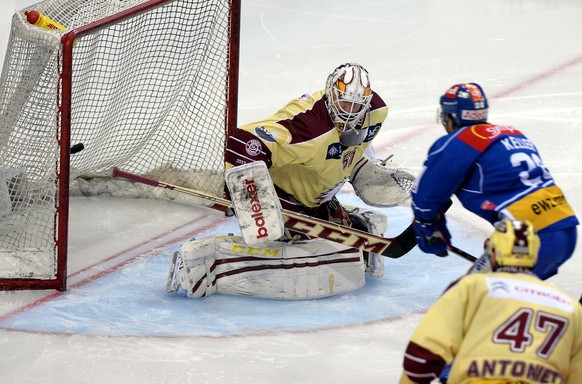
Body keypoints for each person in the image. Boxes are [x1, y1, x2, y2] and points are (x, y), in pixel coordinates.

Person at [166, 63, 415, 300]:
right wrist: (253, 200)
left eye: (355, 105)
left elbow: (350, 147)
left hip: (318, 197)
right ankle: (203, 262)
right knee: (308, 260)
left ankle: (323, 216)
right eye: (344, 102)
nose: (349, 112)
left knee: (355, 245)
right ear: (330, 93)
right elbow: (243, 142)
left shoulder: (376, 111)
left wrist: (361, 166)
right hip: (283, 195)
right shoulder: (307, 127)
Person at [411, 82, 579, 282]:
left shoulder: (459, 140)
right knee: (514, 302)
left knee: (467, 303)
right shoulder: (513, 134)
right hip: (566, 229)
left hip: (526, 240)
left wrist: (428, 228)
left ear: (451, 116)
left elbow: (426, 195)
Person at [400, 219, 582, 384]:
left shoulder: (470, 288)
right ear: (535, 255)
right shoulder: (569, 306)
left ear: (493, 254)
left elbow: (422, 356)